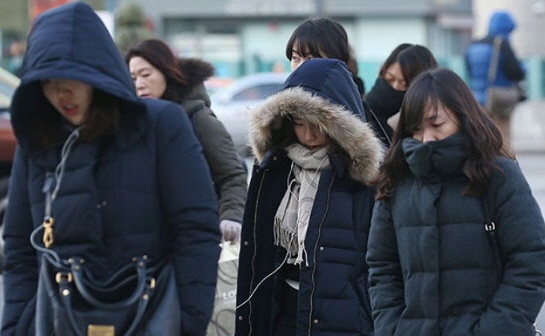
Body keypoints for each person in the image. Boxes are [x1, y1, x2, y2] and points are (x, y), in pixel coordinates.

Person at [1, 3, 221, 335]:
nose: (61, 92)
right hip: (59, 320)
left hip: (150, 317)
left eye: (72, 77)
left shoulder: (160, 125)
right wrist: (17, 326)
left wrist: (188, 322)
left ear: (97, 73)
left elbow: (196, 230)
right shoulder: (38, 141)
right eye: (47, 80)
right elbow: (19, 248)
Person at [366, 68, 545, 336]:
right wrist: (392, 329)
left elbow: (531, 260)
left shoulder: (498, 175)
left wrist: (494, 330)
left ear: (463, 118)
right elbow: (382, 268)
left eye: (436, 125)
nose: (426, 138)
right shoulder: (396, 181)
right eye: (416, 129)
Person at [235, 58, 383, 336]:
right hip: (283, 307)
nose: (309, 134)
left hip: (343, 315)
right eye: (300, 124)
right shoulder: (276, 167)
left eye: (318, 124)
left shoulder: (360, 177)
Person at [126, 39, 247, 243]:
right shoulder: (133, 123)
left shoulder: (198, 118)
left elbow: (232, 175)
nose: (139, 84)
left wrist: (230, 217)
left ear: (166, 72)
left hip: (195, 236)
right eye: (133, 77)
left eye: (146, 75)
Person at [285, 17, 386, 145]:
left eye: (310, 58)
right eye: (295, 58)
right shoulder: (281, 111)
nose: (301, 67)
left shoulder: (355, 111)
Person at [465, 10, 526, 146]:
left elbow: (469, 71)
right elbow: (515, 72)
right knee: (502, 137)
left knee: (482, 135)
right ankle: (503, 164)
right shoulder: (501, 44)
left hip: (477, 98)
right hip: (499, 100)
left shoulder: (473, 45)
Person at [364, 43, 438, 145]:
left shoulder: (427, 119)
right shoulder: (365, 109)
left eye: (404, 83)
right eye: (390, 78)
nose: (395, 86)